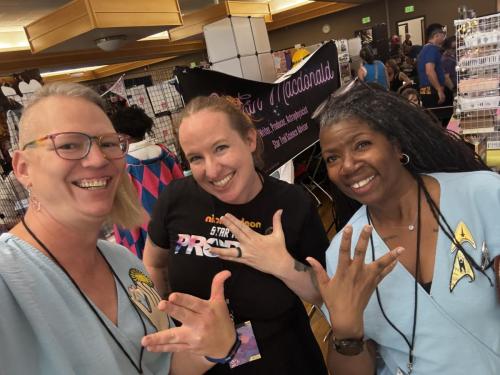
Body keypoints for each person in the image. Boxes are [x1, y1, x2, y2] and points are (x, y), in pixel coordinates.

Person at [1, 82, 239, 374]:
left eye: (108, 143)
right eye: (68, 145)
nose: (98, 159)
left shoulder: (124, 263)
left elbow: (162, 367)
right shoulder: (7, 280)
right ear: (23, 167)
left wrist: (213, 349)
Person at [307, 81, 500, 374]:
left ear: (396, 144)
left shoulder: (481, 195)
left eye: (362, 144)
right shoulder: (344, 256)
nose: (346, 166)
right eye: (333, 158)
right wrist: (346, 334)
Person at [143, 95, 329, 374]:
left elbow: (327, 295)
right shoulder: (176, 198)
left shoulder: (291, 204)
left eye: (220, 148)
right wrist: (168, 320)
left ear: (250, 140)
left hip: (281, 360)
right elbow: (154, 263)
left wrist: (284, 266)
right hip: (206, 363)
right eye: (195, 158)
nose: (212, 170)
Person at [111, 105, 184, 259]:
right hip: (175, 221)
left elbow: (122, 208)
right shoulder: (166, 152)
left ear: (124, 136)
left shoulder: (124, 164)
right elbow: (182, 184)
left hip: (145, 230)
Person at [417, 23, 450, 108]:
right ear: (436, 36)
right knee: (437, 118)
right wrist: (439, 90)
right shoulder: (431, 49)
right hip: (432, 90)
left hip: (427, 90)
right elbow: (429, 71)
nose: (444, 37)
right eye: (443, 35)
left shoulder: (425, 49)